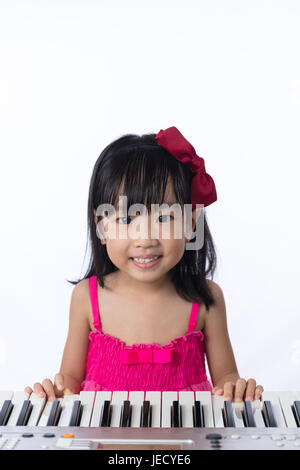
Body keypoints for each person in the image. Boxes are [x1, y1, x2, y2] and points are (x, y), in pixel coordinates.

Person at [25, 126, 264, 404]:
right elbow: (70, 379)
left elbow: (226, 380)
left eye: (164, 218)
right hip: (106, 443)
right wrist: (57, 389)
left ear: (192, 222)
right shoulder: (86, 298)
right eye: (126, 220)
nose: (145, 239)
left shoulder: (207, 299)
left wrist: (236, 388)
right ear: (101, 225)